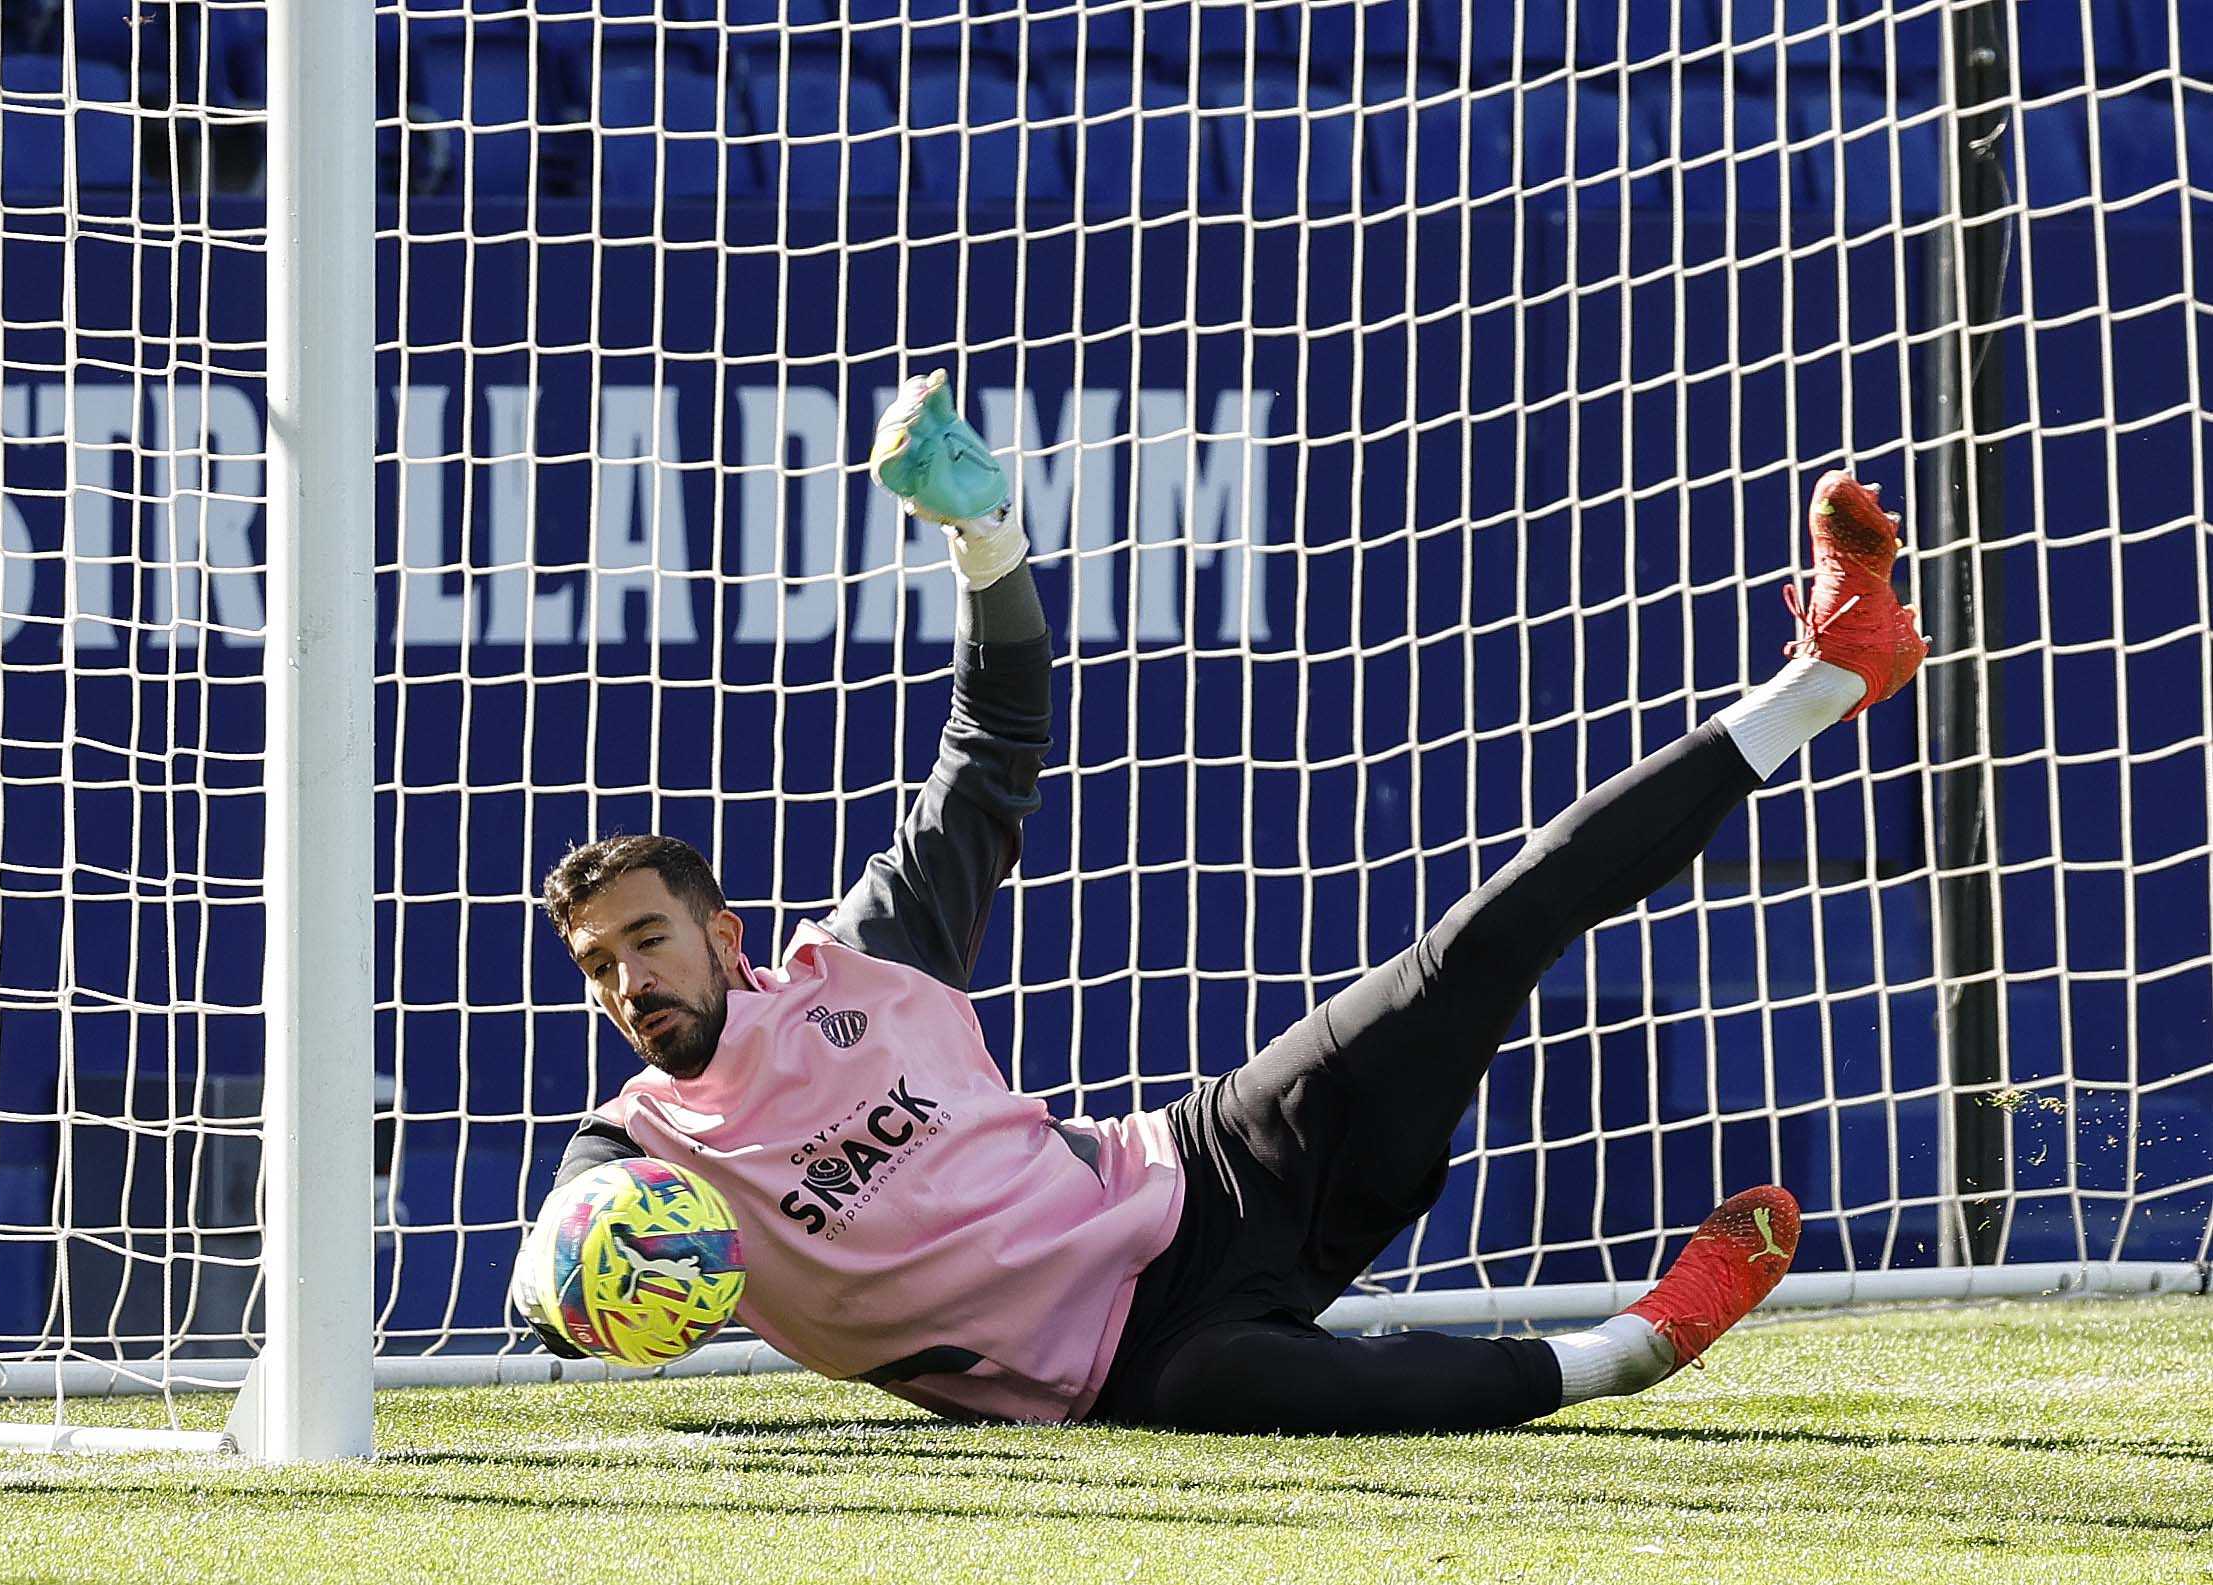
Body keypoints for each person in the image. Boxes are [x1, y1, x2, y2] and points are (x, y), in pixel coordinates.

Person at [512, 372, 1928, 1432]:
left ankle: (1825, 675)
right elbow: (564, 1261)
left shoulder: (869, 957)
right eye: (597, 964)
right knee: (1261, 1393)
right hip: (1123, 1363)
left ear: (723, 935)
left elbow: (992, 742)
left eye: (648, 939)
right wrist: (562, 1295)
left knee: (1478, 941)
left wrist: (985, 541)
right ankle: (1635, 1346)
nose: (629, 980)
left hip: (1205, 1166)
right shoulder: (642, 1153)